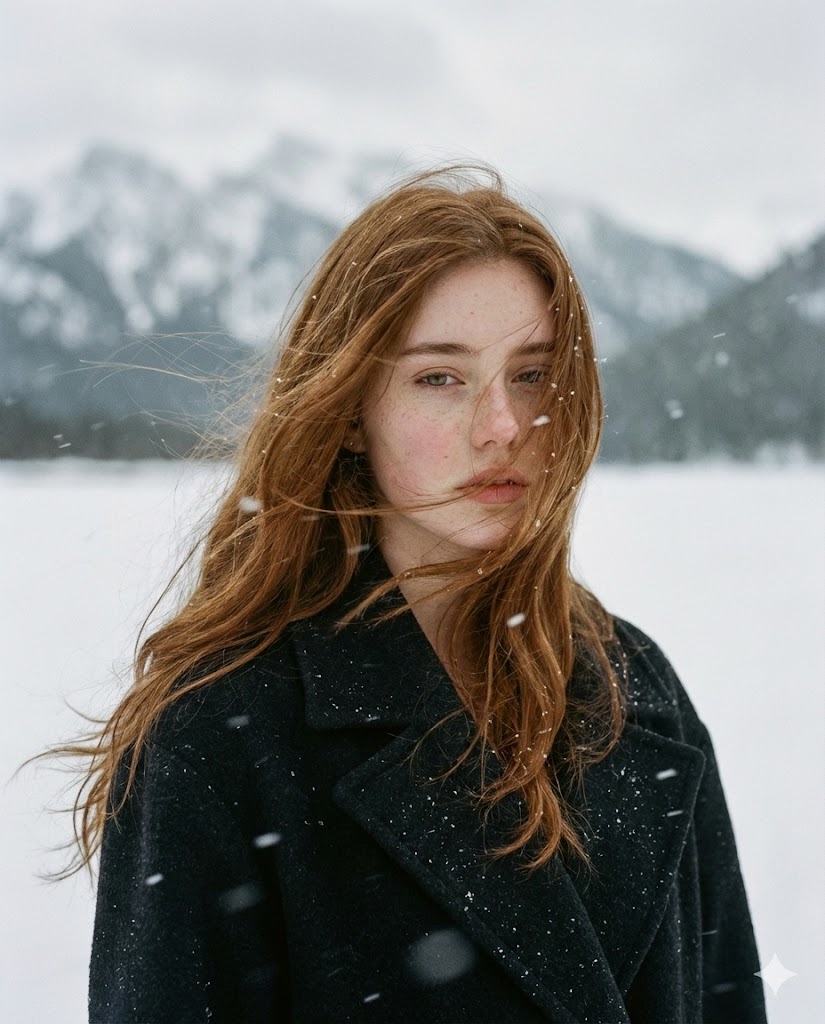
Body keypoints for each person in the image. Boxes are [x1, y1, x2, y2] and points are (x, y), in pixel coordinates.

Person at [76, 166, 766, 1022]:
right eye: (440, 377)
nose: (504, 426)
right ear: (351, 409)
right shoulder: (220, 728)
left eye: (531, 373)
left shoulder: (636, 687)